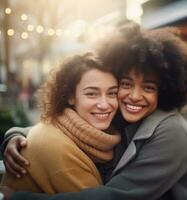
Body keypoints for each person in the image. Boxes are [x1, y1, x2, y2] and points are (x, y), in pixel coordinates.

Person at [1, 22, 187, 200]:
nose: (135, 96)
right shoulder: (121, 115)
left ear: (165, 91)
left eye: (148, 87)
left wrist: (21, 198)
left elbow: (115, 197)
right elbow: (64, 127)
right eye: (126, 84)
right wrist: (16, 135)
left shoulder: (172, 132)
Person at [1, 52, 121, 193]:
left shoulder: (70, 130)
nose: (104, 104)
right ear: (70, 96)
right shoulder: (57, 146)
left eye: (112, 93)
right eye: (91, 94)